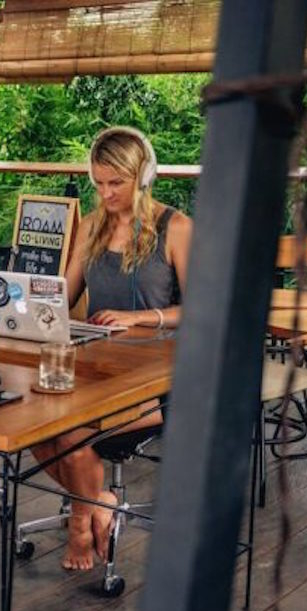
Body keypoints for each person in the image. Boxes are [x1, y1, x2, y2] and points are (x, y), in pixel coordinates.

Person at [31, 126, 192, 570]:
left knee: (69, 432)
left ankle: (81, 525)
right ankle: (99, 498)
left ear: (143, 176)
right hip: (97, 369)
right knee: (36, 424)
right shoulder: (92, 227)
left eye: (116, 183)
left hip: (160, 382)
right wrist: (22, 306)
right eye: (98, 183)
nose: (106, 194)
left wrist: (140, 318)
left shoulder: (175, 228)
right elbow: (60, 298)